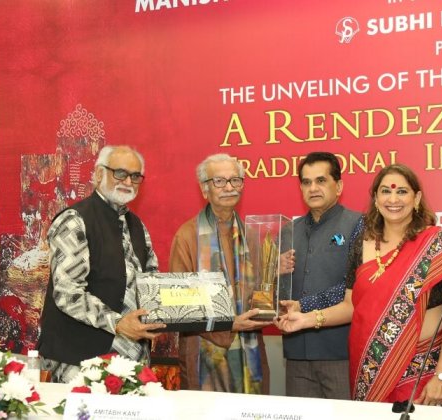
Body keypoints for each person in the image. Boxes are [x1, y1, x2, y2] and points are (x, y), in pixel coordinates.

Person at [276, 163, 442, 407]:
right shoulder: (363, 244)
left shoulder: (437, 245)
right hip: (370, 371)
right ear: (376, 199)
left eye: (402, 191)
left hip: (420, 374)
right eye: (386, 191)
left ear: (416, 197)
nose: (393, 199)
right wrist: (306, 319)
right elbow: (350, 306)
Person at [38, 145, 166, 383]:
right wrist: (118, 323)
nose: (128, 181)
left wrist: (168, 312)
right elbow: (68, 293)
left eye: (135, 176)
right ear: (98, 174)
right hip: (79, 360)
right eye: (120, 173)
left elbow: (152, 281)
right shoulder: (74, 221)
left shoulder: (136, 225)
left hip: (131, 360)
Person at [169, 153, 272, 394]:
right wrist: (230, 323)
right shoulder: (187, 235)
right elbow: (178, 306)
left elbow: (262, 293)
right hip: (204, 350)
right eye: (219, 181)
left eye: (235, 180)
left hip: (249, 349)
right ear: (205, 189)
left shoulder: (252, 236)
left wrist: (276, 275)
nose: (229, 187)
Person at [280, 152, 363, 399]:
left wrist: (304, 305)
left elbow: (356, 286)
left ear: (338, 186)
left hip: (340, 351)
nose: (313, 188)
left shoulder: (359, 224)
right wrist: (274, 275)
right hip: (296, 352)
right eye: (306, 182)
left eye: (321, 180)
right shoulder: (286, 231)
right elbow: (272, 290)